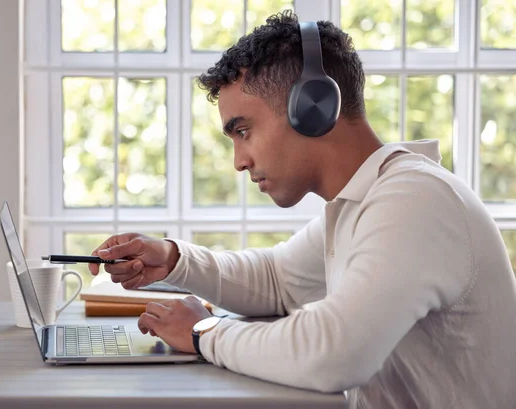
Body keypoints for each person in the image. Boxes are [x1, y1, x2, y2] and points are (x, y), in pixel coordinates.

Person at [88, 11, 516, 409]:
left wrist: (204, 332)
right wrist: (173, 260)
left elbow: (334, 353)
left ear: (312, 107)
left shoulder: (415, 202)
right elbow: (278, 281)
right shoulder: (365, 201)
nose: (238, 161)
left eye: (243, 131)